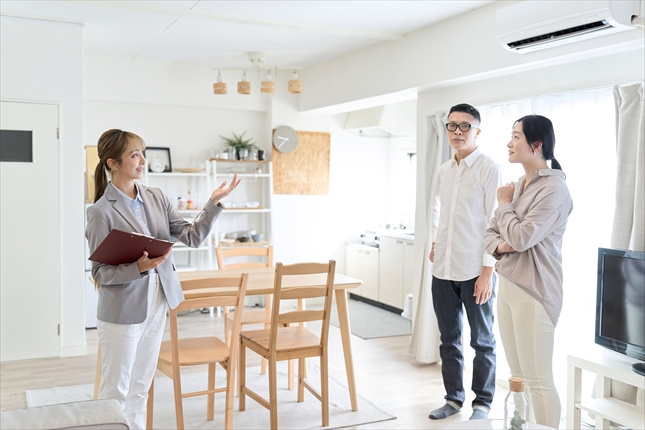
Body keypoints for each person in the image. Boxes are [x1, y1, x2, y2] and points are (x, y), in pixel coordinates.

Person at [85, 129, 240, 429]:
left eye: (143, 153)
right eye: (135, 155)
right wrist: (139, 268)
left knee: (141, 385)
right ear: (112, 163)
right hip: (122, 311)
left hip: (157, 304)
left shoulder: (156, 196)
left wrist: (213, 203)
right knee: (116, 391)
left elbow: (192, 236)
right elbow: (101, 273)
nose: (144, 160)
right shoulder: (100, 212)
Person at [485, 115, 573, 429]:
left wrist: (503, 205)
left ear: (536, 145)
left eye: (516, 136)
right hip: (507, 286)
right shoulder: (519, 185)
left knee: (539, 380)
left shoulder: (554, 190)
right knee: (518, 376)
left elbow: (521, 237)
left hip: (534, 293)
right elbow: (491, 235)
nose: (509, 143)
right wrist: (505, 242)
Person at [429, 103, 502, 421]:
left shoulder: (489, 168)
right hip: (443, 268)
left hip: (477, 269)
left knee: (482, 340)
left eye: (464, 126)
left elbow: (494, 221)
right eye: (452, 126)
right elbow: (436, 209)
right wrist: (435, 243)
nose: (457, 132)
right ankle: (453, 398)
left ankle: (482, 403)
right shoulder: (444, 170)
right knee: (449, 340)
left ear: (477, 131)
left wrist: (488, 271)